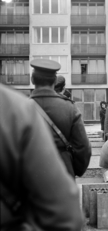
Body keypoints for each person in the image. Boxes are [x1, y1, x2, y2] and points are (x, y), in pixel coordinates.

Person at [0, 84, 85, 230]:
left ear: (33, 79)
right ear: (61, 87)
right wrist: (76, 168)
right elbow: (67, 218)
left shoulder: (25, 102)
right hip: (59, 169)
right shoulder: (14, 107)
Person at [30, 59, 91, 178]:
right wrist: (74, 169)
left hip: (29, 177)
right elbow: (83, 147)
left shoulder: (19, 108)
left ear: (32, 80)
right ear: (54, 81)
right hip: (63, 175)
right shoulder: (69, 108)